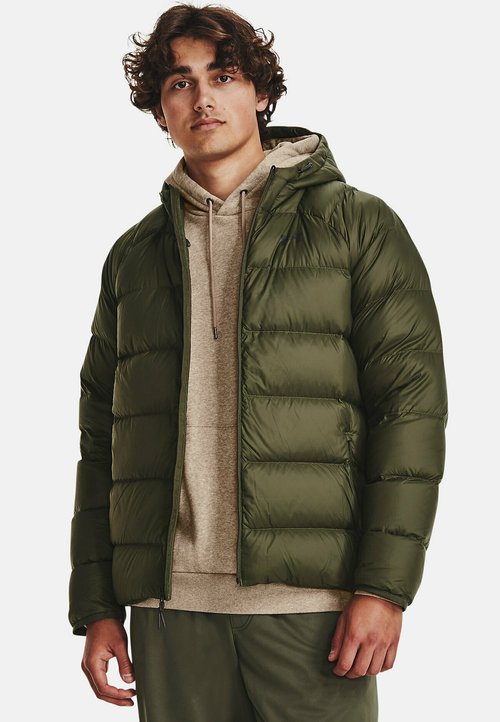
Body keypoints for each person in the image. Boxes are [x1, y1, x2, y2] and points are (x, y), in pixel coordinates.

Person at [68, 4, 448, 721]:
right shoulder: (134, 258)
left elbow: (411, 412)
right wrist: (97, 605)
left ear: (262, 93)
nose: (202, 98)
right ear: (160, 110)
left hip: (312, 610)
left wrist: (384, 587)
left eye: (224, 76)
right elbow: (100, 443)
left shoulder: (356, 226)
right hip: (170, 610)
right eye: (180, 83)